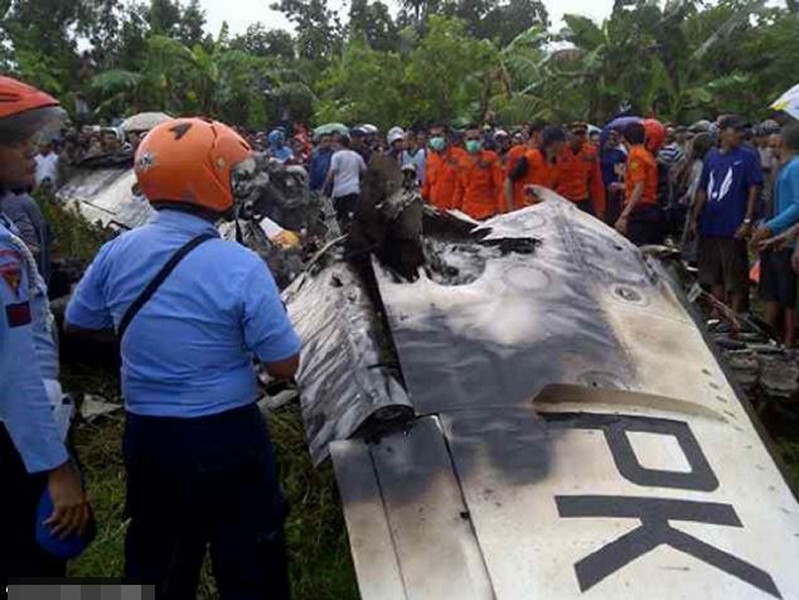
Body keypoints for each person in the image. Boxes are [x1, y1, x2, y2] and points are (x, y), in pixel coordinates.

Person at [64, 117, 301, 599]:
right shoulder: (240, 264)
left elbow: (78, 321)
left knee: (159, 558)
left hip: (148, 433)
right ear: (211, 179)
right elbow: (284, 365)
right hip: (228, 435)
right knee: (250, 561)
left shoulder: (116, 251)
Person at [0, 75, 90, 592]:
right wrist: (56, 469)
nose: (32, 153)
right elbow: (16, 374)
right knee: (34, 569)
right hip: (17, 443)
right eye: (15, 141)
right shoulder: (6, 252)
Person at [688, 116, 763, 314]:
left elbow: (754, 189)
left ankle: (735, 313)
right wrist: (695, 218)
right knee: (713, 271)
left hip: (733, 224)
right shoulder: (711, 156)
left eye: (741, 131)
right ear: (722, 132)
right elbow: (703, 189)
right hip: (710, 221)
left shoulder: (747, 157)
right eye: (735, 130)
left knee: (735, 272)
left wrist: (747, 220)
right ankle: (716, 311)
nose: (740, 134)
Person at [752, 124, 799, 346]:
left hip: (787, 240)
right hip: (779, 235)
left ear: (783, 142)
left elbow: (797, 206)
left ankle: (789, 338)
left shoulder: (795, 167)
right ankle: (771, 332)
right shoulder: (782, 167)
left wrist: (772, 227)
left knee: (787, 294)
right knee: (774, 288)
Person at [615, 122, 661, 245]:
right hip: (650, 207)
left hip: (640, 210)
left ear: (624, 138)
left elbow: (639, 186)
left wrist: (625, 215)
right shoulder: (647, 154)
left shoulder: (635, 156)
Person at [505, 125, 565, 212]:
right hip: (524, 209)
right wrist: (511, 209)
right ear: (554, 142)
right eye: (563, 141)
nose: (565, 144)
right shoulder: (530, 158)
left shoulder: (556, 163)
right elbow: (509, 181)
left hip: (543, 210)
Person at [556, 121, 606, 218]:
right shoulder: (559, 151)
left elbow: (596, 182)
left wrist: (600, 208)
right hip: (561, 200)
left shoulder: (590, 153)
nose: (579, 138)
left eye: (582, 134)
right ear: (569, 135)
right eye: (576, 134)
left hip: (582, 200)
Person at [454, 126, 504, 220]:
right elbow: (459, 188)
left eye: (476, 139)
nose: (473, 142)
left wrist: (500, 211)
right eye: (470, 139)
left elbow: (499, 186)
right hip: (467, 212)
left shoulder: (491, 158)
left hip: (488, 211)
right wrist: (455, 209)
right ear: (464, 140)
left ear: (482, 140)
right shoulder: (462, 161)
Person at [324, 132, 367, 232]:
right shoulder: (356, 156)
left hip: (340, 192)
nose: (332, 144)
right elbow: (365, 171)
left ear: (339, 143)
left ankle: (343, 237)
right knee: (352, 217)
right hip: (354, 190)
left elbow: (331, 173)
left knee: (340, 218)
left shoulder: (336, 155)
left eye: (335, 142)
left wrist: (324, 188)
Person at [422, 124, 466, 211]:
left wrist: (455, 209)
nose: (435, 139)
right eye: (433, 136)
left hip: (454, 212)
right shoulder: (430, 158)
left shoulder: (460, 155)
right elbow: (427, 185)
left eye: (438, 135)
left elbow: (463, 186)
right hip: (435, 211)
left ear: (447, 137)